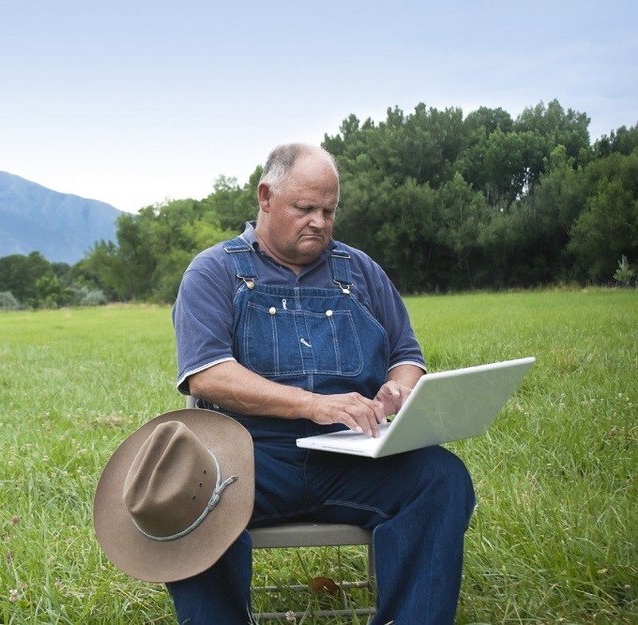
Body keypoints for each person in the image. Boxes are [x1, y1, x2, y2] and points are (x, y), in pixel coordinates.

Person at [169, 143, 476, 624]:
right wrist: (311, 404)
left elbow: (407, 355)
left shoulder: (360, 272)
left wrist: (400, 387)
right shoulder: (215, 271)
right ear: (266, 196)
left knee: (441, 479)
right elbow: (208, 373)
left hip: (349, 453)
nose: (319, 221)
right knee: (183, 495)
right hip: (249, 458)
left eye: (328, 211)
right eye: (305, 208)